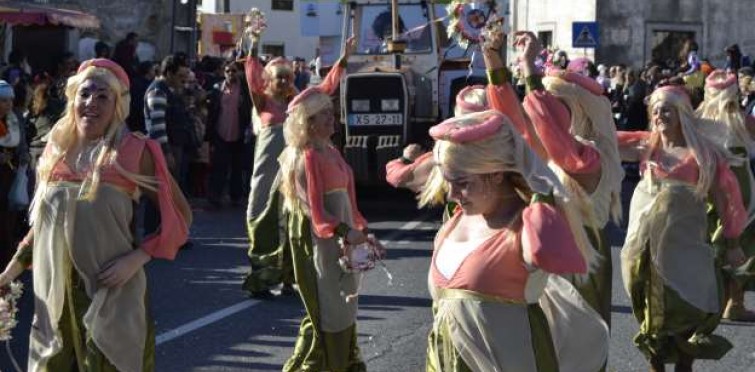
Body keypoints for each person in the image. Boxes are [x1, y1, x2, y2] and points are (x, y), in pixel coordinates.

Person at [0, 59, 192, 371]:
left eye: (103, 96)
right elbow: (44, 226)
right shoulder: (55, 150)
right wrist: (9, 273)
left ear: (118, 105)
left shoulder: (134, 151)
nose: (92, 103)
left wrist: (137, 258)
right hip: (54, 301)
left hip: (111, 295)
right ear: (72, 98)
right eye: (85, 94)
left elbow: (180, 217)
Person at [420, 110, 608, 372]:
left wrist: (543, 193)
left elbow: (554, 250)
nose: (451, 194)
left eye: (462, 182)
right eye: (448, 181)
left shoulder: (526, 227)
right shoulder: (453, 224)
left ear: (496, 173)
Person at [618, 84, 748, 372]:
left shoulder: (701, 153)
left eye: (667, 109)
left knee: (688, 306)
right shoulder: (646, 145)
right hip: (646, 250)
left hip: (685, 245)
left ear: (681, 114)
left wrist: (733, 241)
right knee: (651, 311)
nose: (660, 115)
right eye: (655, 110)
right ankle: (656, 366)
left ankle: (684, 366)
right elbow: (600, 141)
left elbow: (726, 198)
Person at [514, 31, 625, 331]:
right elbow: (515, 123)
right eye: (547, 101)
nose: (546, 109)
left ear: (579, 109)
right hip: (550, 259)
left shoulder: (591, 157)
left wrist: (529, 68)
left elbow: (556, 138)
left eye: (555, 102)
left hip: (579, 265)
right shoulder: (555, 148)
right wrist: (493, 58)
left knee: (574, 351)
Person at [241, 34, 355, 297]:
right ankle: (261, 279)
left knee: (293, 221)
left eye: (287, 77)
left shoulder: (297, 106)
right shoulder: (262, 103)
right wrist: (253, 46)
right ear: (268, 80)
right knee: (263, 221)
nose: (283, 81)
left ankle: (290, 280)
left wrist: (344, 59)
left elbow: (325, 88)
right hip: (265, 175)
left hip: (290, 175)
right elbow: (251, 79)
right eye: (278, 77)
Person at [277, 84, 381, 372]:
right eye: (323, 114)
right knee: (326, 311)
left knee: (343, 309)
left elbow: (349, 203)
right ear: (307, 122)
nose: (331, 117)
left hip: (339, 241)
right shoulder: (305, 156)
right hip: (320, 244)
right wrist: (345, 232)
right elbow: (316, 213)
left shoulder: (332, 151)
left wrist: (363, 233)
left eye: (330, 112)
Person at [695, 70, 755, 322]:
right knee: (731, 243)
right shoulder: (740, 122)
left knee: (723, 243)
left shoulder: (698, 121)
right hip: (727, 190)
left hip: (722, 190)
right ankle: (725, 301)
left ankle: (728, 302)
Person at [206, 60, 251, 207]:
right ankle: (215, 196)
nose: (231, 74)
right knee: (219, 166)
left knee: (237, 168)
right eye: (228, 71)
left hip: (239, 133)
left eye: (233, 70)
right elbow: (211, 112)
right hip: (221, 133)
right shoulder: (217, 89)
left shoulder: (244, 90)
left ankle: (235, 197)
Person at [0, 80, 26, 268]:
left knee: (7, 222)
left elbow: (22, 144)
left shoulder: (15, 119)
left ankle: (6, 267)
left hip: (9, 176)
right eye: (3, 100)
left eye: (10, 100)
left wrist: (22, 156)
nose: (8, 104)